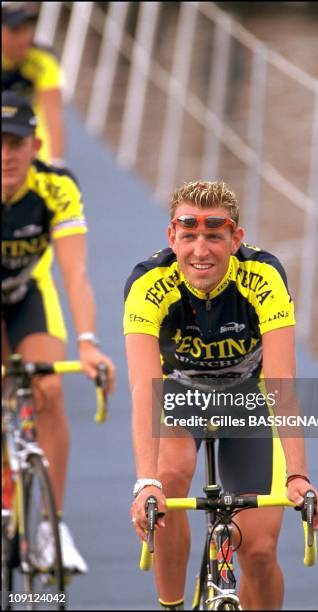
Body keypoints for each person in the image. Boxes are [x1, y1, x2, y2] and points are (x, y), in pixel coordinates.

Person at [124, 180, 318, 610]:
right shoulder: (148, 283)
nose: (201, 249)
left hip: (246, 398)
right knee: (171, 476)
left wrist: (298, 476)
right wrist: (146, 484)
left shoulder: (263, 277)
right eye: (189, 233)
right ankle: (172, 604)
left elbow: (281, 380)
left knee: (258, 551)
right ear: (171, 237)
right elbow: (144, 385)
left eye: (214, 235)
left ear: (236, 239)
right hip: (179, 394)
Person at [2, 91, 116, 573]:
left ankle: (52, 526)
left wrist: (89, 344)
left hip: (28, 293)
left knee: (47, 386)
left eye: (16, 143)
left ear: (37, 145)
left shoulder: (56, 187)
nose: (6, 154)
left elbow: (75, 275)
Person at [2, 1, 65, 165]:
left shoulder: (44, 61)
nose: (24, 38)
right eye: (15, 30)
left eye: (27, 29)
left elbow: (53, 117)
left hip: (29, 142)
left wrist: (56, 162)